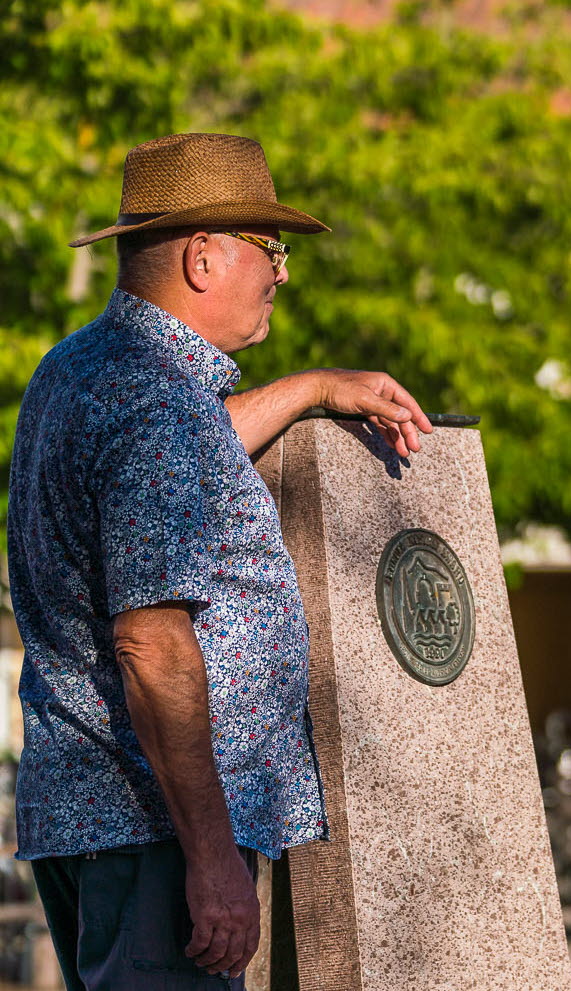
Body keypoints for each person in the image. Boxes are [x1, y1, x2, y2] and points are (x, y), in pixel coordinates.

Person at [6, 132, 434, 990]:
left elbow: (183, 464)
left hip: (97, 819)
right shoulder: (156, 402)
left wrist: (314, 387)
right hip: (159, 834)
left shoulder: (88, 370)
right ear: (203, 258)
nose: (283, 273)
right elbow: (153, 646)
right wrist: (209, 858)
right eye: (270, 251)